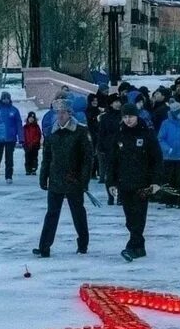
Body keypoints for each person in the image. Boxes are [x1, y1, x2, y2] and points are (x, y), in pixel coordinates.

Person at [34, 100, 92, 257]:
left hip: (74, 180)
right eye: (58, 112)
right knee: (52, 213)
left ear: (70, 113)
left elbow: (87, 159)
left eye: (63, 112)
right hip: (55, 179)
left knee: (78, 213)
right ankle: (44, 247)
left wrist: (84, 180)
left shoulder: (80, 131)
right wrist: (43, 176)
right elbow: (46, 157)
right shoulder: (51, 132)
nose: (60, 115)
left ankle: (83, 244)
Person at [108, 103, 162, 261]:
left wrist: (156, 181)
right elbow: (112, 161)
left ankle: (133, 246)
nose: (128, 120)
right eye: (124, 117)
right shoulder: (119, 134)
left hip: (143, 182)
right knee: (130, 217)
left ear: (137, 116)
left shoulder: (147, 134)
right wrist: (110, 182)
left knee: (139, 215)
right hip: (124, 182)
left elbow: (157, 159)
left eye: (130, 116)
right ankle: (139, 246)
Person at [157, 100, 180, 208]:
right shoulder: (166, 123)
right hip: (169, 157)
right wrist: (167, 149)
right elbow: (160, 139)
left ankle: (179, 200)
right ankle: (169, 200)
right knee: (169, 179)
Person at [0, 91, 22, 184]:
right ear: (1, 99)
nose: (6, 100)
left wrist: (21, 137)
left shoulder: (14, 110)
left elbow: (18, 124)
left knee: (9, 158)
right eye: (4, 98)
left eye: (7, 98)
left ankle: (9, 176)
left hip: (10, 138)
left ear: (9, 99)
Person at [95, 93, 123, 205]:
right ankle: (111, 197)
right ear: (111, 104)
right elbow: (101, 134)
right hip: (109, 149)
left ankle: (120, 196)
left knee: (121, 173)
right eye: (115, 102)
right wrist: (100, 147)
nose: (118, 104)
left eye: (119, 102)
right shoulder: (105, 117)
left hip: (121, 148)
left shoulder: (123, 116)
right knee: (110, 174)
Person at [22, 111, 42, 176]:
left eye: (32, 118)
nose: (31, 119)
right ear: (28, 119)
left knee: (34, 158)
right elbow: (23, 135)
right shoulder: (25, 127)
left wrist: (34, 142)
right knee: (27, 158)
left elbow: (38, 135)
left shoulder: (36, 126)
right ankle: (28, 169)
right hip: (27, 145)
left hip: (34, 145)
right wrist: (24, 143)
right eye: (30, 118)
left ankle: (34, 169)